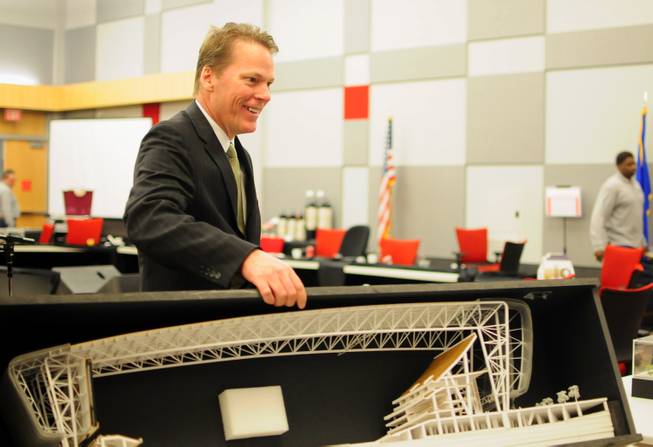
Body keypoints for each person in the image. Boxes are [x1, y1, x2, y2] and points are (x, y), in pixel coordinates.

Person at [124, 23, 306, 309]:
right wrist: (246, 258)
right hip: (181, 335)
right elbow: (149, 218)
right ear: (208, 77)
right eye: (252, 80)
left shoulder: (239, 153)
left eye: (268, 83)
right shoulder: (172, 137)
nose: (265, 94)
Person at [590, 151, 646, 261]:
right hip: (618, 244)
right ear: (619, 166)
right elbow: (599, 216)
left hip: (636, 245)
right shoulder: (612, 186)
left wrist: (643, 242)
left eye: (634, 164)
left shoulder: (636, 186)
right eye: (629, 164)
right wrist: (598, 246)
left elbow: (636, 217)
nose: (633, 167)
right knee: (620, 278)